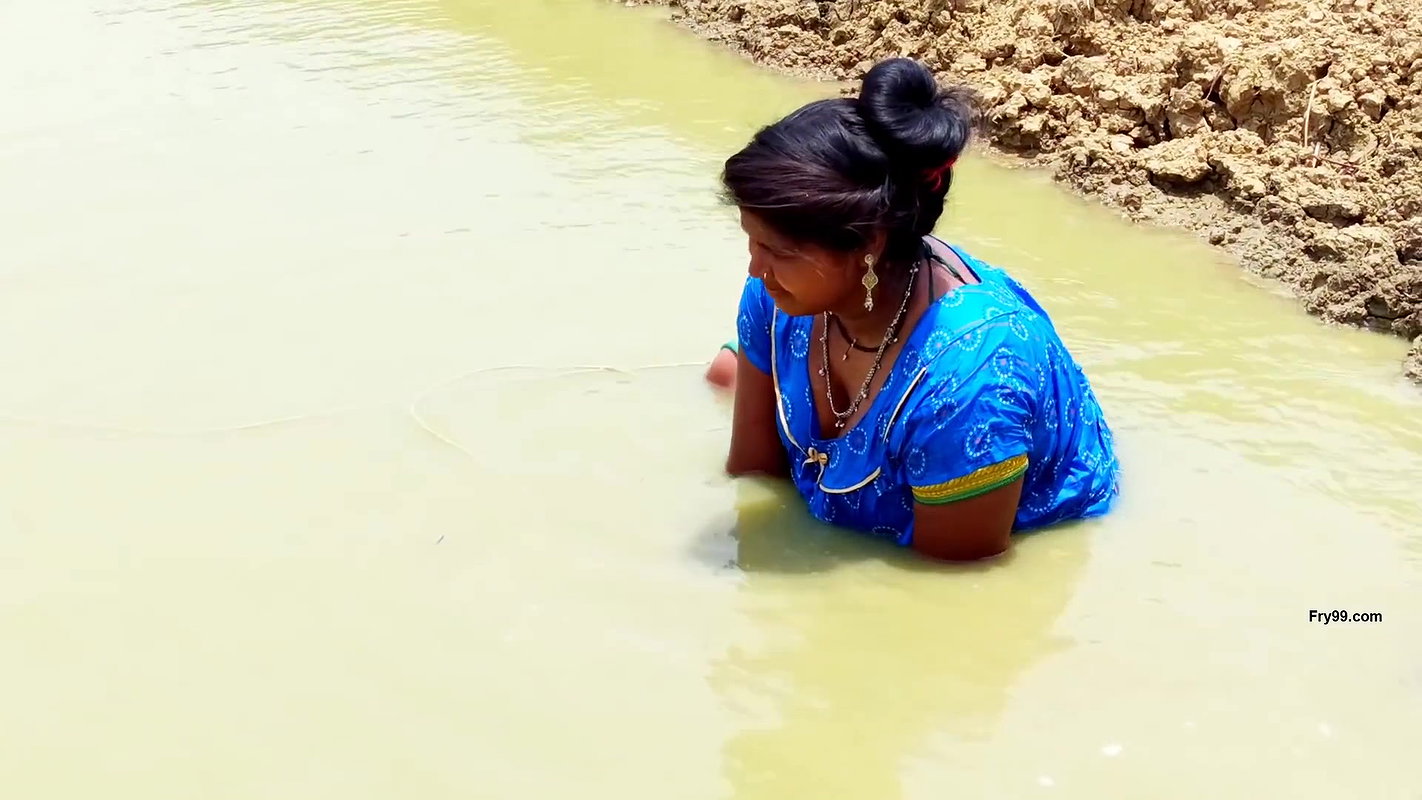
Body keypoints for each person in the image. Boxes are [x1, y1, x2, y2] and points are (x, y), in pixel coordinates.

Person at [712, 58, 1120, 563]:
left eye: (778, 251)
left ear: (869, 243)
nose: (755, 269)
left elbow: (947, 583)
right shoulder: (776, 297)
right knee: (721, 374)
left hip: (989, 512)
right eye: (752, 241)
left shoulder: (970, 378)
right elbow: (752, 476)